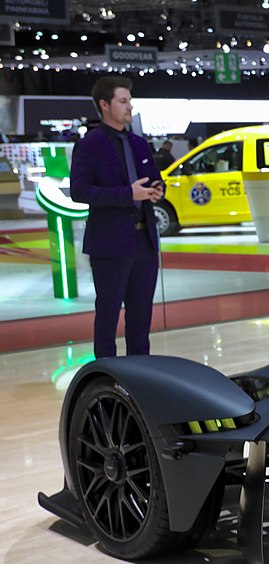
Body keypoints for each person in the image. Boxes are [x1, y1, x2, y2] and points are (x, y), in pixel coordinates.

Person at [69, 75, 165, 358]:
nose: (129, 107)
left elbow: (155, 180)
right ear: (104, 105)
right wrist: (127, 194)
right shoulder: (90, 144)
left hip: (144, 242)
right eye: (123, 101)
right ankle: (105, 377)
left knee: (141, 318)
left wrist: (158, 191)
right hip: (110, 244)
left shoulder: (138, 143)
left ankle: (141, 376)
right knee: (108, 315)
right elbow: (80, 191)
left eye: (129, 101)